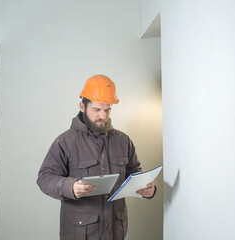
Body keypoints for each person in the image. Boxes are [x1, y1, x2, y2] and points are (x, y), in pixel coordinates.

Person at [37, 74, 156, 240]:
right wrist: (70, 186)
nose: (103, 116)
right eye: (97, 110)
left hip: (116, 230)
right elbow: (44, 178)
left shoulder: (123, 140)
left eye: (107, 110)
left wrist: (145, 188)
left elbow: (133, 173)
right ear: (82, 106)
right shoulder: (65, 141)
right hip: (79, 233)